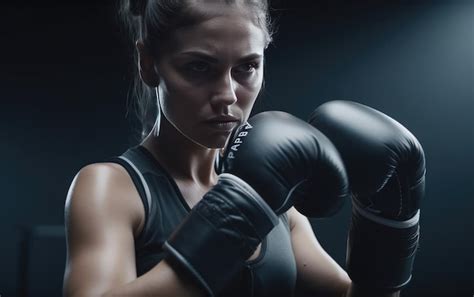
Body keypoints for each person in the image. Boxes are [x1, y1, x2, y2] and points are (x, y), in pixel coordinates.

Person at [63, 1, 425, 297]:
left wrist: (388, 226)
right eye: (199, 67)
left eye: (247, 67)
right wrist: (236, 214)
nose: (228, 95)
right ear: (148, 64)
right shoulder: (111, 188)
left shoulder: (278, 196)